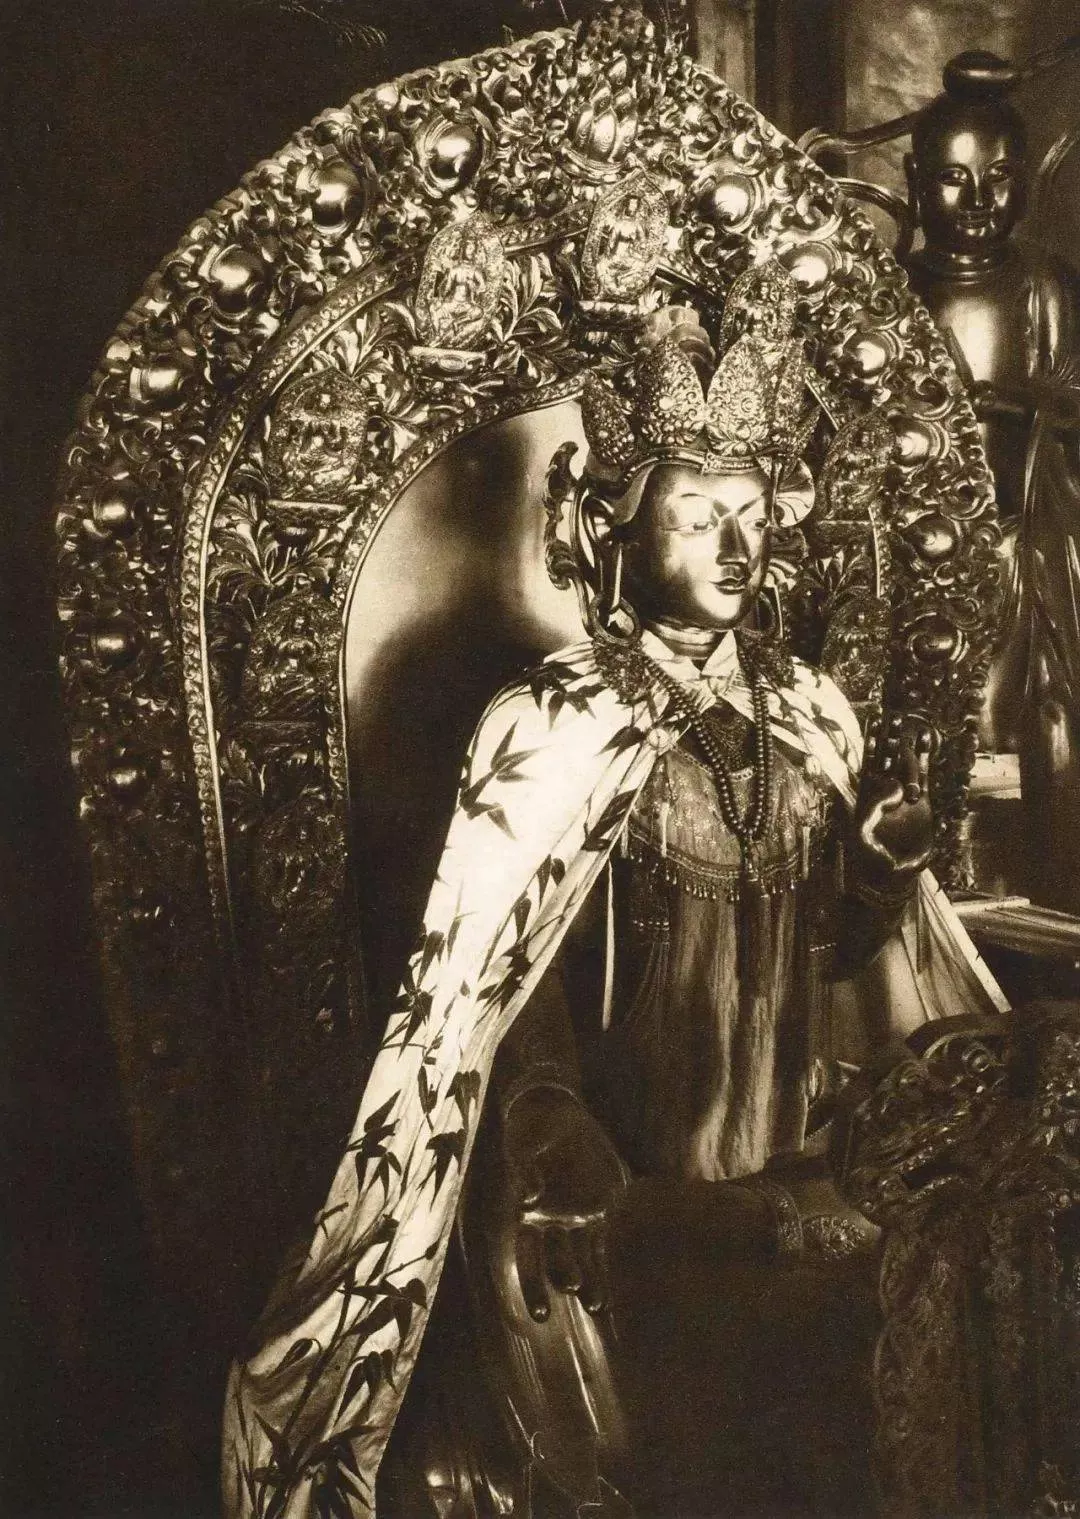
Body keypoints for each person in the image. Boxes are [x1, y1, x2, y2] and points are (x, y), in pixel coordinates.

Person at [222, 264, 1006, 1519]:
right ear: (619, 529)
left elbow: (827, 966)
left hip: (786, 1175)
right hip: (618, 1188)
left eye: (751, 513)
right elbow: (501, 978)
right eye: (697, 515)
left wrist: (877, 870)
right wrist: (547, 1121)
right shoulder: (553, 723)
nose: (736, 547)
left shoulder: (810, 714)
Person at [905, 51, 1080, 910]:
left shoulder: (1045, 285)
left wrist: (1013, 405)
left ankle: (1037, 880)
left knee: (1038, 722)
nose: (979, 201)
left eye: (1000, 178)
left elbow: (1073, 396)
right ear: (914, 185)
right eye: (953, 178)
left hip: (1024, 542)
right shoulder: (897, 290)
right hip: (918, 547)